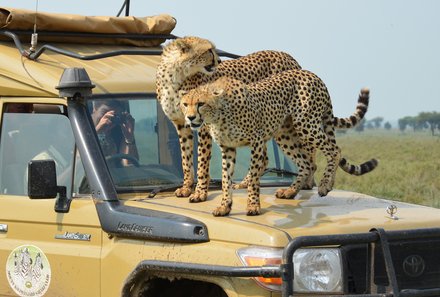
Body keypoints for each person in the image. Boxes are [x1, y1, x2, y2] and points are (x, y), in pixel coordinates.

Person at [91, 100, 138, 166]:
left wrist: (129, 138)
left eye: (114, 116)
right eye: (104, 113)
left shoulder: (118, 132)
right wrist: (97, 132)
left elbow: (130, 166)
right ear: (94, 110)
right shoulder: (81, 127)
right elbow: (79, 165)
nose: (108, 119)